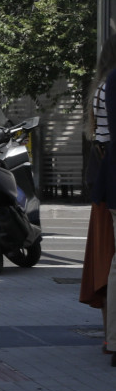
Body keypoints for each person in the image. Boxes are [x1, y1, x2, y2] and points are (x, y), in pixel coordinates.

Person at [88, 38, 116, 361]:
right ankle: (111, 337)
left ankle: (110, 335)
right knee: (111, 261)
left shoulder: (99, 89)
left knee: (107, 260)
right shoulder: (111, 86)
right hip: (110, 184)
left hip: (102, 184)